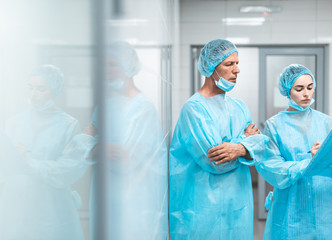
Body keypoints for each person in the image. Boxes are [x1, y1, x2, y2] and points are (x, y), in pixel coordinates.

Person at [169, 39, 268, 239]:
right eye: (229, 64)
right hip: (203, 208)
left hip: (238, 203)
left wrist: (239, 148)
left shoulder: (239, 107)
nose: (237, 70)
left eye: (237, 63)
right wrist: (246, 144)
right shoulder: (194, 109)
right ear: (211, 68)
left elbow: (258, 149)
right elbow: (216, 162)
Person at [255, 64, 332, 239]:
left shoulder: (328, 123)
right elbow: (273, 169)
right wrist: (310, 161)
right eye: (299, 89)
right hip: (291, 207)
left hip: (325, 206)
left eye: (310, 88)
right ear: (287, 91)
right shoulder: (274, 125)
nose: (306, 94)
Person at [0, 65, 94, 239]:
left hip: (50, 206)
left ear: (54, 90)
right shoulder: (14, 122)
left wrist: (28, 160)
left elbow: (67, 169)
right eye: (30, 88)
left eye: (40, 89)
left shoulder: (68, 125)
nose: (33, 94)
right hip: (16, 204)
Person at [88, 41, 168, 240]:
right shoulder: (105, 106)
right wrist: (98, 148)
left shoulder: (143, 109)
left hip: (133, 201)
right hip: (106, 198)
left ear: (128, 67)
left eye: (113, 64)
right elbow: (81, 146)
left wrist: (96, 147)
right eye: (104, 65)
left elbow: (125, 159)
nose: (107, 70)